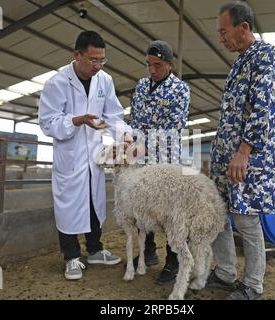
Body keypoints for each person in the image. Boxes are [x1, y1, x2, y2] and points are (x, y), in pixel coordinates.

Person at [39, 31, 133, 280]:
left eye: (102, 60)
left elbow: (114, 115)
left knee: (94, 202)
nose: (98, 65)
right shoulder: (56, 83)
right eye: (93, 59)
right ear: (77, 54)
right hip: (70, 157)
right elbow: (48, 123)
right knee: (69, 206)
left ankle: (95, 250)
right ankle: (71, 257)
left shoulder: (105, 80)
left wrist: (124, 135)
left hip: (94, 155)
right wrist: (76, 120)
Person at [208, 2, 275, 300]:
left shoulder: (266, 56)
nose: (221, 38)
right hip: (225, 155)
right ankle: (226, 273)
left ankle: (252, 286)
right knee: (217, 213)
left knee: (246, 218)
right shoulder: (239, 63)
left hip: (249, 157)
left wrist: (243, 151)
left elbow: (264, 108)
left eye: (224, 32)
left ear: (244, 27)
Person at [129, 40, 190, 285]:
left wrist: (147, 143)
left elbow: (174, 126)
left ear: (169, 64)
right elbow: (135, 119)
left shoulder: (180, 89)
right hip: (142, 159)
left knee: (168, 213)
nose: (152, 70)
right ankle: (149, 252)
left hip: (166, 160)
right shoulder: (142, 86)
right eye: (149, 65)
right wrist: (132, 142)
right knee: (143, 209)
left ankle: (173, 262)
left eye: (158, 65)